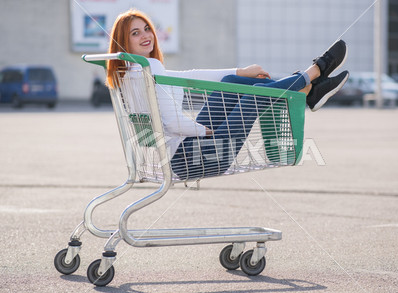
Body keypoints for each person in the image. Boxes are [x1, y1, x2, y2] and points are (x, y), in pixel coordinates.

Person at [106, 9, 349, 180]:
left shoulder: (129, 73)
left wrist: (238, 71)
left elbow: (192, 75)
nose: (146, 35)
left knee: (232, 82)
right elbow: (171, 123)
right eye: (135, 33)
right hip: (194, 157)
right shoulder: (150, 69)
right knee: (254, 96)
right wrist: (205, 131)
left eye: (146, 28)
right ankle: (314, 73)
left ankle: (307, 89)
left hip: (184, 154)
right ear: (122, 42)